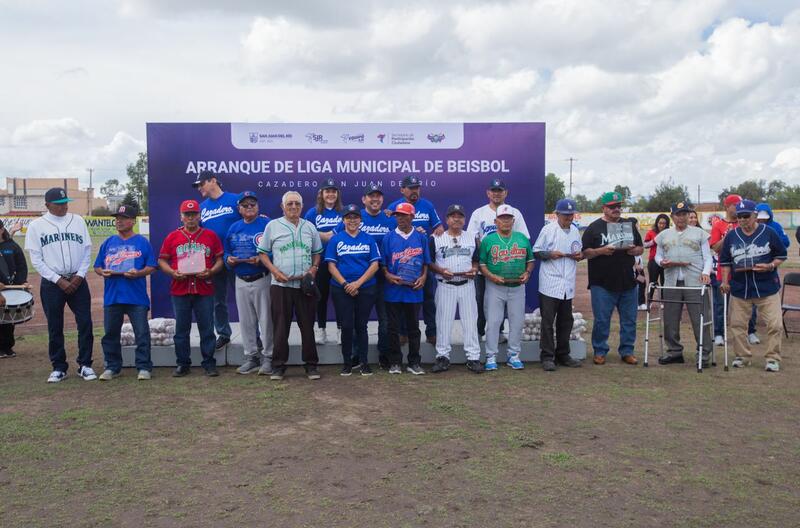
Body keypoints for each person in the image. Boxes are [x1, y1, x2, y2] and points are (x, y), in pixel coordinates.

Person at [24, 187, 96, 383]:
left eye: (65, 203)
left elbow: (87, 251)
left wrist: (80, 276)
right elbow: (37, 260)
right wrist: (59, 280)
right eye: (59, 204)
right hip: (52, 283)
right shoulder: (36, 226)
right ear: (47, 205)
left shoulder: (78, 221)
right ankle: (58, 367)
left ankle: (85, 364)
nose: (64, 206)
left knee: (85, 323)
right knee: (55, 326)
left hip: (78, 280)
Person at [258, 191, 323, 381]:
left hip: (304, 284)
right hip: (280, 284)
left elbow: (317, 252)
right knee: (280, 327)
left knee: (307, 326)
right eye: (289, 204)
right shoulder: (273, 226)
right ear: (282, 207)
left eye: (297, 204)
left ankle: (311, 365)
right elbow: (262, 253)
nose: (293, 207)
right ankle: (278, 366)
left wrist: (314, 268)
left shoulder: (309, 227)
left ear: (302, 206)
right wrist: (274, 271)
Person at [158, 199, 224, 377]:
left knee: (207, 328)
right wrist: (172, 272)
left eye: (194, 214)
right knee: (181, 329)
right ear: (181, 217)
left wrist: (211, 271)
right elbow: (161, 260)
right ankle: (183, 363)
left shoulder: (210, 235)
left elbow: (220, 259)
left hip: (204, 288)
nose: (191, 217)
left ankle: (209, 363)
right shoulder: (172, 237)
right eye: (187, 214)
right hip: (180, 288)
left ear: (199, 215)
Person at [330, 184, 393, 369]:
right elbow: (330, 238)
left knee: (384, 319)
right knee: (354, 321)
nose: (375, 199)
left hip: (382, 275)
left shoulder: (389, 218)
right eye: (370, 196)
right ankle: (355, 357)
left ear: (382, 199)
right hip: (354, 280)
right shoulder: (354, 217)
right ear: (363, 199)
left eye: (378, 196)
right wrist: (309, 230)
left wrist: (421, 230)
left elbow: (403, 233)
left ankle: (384, 355)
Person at [719, 199, 787, 372]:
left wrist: (771, 265)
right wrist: (725, 282)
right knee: (737, 325)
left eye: (746, 216)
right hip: (740, 288)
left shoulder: (769, 232)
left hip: (767, 287)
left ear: (755, 215)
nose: (742, 220)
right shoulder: (732, 236)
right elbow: (725, 262)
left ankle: (772, 358)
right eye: (739, 217)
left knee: (775, 324)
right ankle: (742, 356)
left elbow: (781, 255)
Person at [94, 204, 157, 380]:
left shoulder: (142, 242)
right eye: (117, 218)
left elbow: (152, 266)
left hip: (136, 296)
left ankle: (144, 367)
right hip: (113, 295)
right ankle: (112, 367)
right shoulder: (108, 242)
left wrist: (139, 273)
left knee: (142, 333)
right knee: (110, 334)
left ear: (133, 221)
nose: (119, 221)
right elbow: (98, 266)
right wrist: (102, 272)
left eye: (123, 218)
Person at [581, 191, 644, 365]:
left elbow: (640, 248)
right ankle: (600, 351)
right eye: (612, 207)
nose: (616, 209)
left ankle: (627, 351)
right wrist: (601, 251)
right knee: (602, 319)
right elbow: (584, 253)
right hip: (602, 282)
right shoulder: (594, 228)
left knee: (629, 319)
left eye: (618, 206)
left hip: (628, 281)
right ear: (604, 208)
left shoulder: (629, 225)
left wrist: (634, 251)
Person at [467, 178, 529, 343]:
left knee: (503, 303)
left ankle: (499, 333)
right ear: (488, 193)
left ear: (505, 193)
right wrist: (486, 254)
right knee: (480, 302)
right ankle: (479, 333)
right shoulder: (479, 213)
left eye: (499, 190)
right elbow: (471, 238)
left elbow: (524, 238)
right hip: (484, 267)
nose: (496, 193)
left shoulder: (514, 213)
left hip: (506, 265)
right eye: (493, 191)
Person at [654, 202, 713, 366]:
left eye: (684, 214)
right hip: (672, 281)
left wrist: (706, 273)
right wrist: (661, 262)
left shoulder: (699, 233)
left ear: (689, 215)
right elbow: (657, 256)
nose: (681, 217)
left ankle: (704, 353)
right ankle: (674, 351)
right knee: (670, 318)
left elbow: (708, 257)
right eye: (678, 214)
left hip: (694, 281)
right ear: (672, 216)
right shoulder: (664, 235)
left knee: (700, 318)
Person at [325, 204, 381, 376]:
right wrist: (345, 285)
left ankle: (364, 362)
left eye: (355, 217)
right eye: (348, 217)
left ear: (360, 219)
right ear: (343, 220)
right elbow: (331, 266)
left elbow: (375, 265)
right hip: (341, 289)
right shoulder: (336, 239)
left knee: (361, 326)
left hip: (365, 288)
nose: (352, 220)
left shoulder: (368, 238)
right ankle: (347, 362)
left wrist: (357, 284)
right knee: (347, 326)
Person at [387, 175, 443, 345]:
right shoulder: (393, 207)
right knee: (404, 300)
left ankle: (431, 331)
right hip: (402, 261)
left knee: (428, 299)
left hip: (423, 260)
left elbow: (439, 228)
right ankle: (403, 332)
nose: (414, 191)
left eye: (417, 187)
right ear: (402, 190)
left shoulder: (427, 205)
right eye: (411, 188)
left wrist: (426, 236)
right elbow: (391, 231)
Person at [479, 204, 535, 371]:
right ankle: (491, 356)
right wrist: (491, 276)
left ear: (513, 220)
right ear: (496, 221)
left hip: (517, 286)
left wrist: (528, 273)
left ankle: (513, 355)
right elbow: (482, 264)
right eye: (502, 218)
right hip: (495, 286)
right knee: (494, 322)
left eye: (508, 218)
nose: (505, 221)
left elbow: (530, 260)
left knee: (517, 322)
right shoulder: (488, 240)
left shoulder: (522, 238)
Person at [429, 204, 483, 374]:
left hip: (467, 285)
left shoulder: (472, 237)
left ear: (464, 220)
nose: (457, 219)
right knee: (443, 322)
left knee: (470, 322)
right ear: (447, 219)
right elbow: (429, 262)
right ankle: (442, 357)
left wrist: (474, 269)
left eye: (460, 216)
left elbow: (476, 259)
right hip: (445, 285)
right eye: (453, 216)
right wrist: (440, 270)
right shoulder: (436, 238)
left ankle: (473, 358)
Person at [224, 191, 274, 376]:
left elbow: (275, 250)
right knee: (246, 322)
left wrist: (263, 259)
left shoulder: (267, 224)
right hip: (241, 279)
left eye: (252, 204)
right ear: (239, 208)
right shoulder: (234, 227)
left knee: (266, 320)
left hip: (262, 277)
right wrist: (228, 259)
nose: (249, 207)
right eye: (245, 205)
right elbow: (226, 251)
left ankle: (268, 357)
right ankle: (251, 357)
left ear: (258, 206)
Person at [532, 198, 583, 371]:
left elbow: (579, 251)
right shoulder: (548, 229)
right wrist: (550, 254)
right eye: (565, 214)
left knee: (566, 321)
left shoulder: (575, 231)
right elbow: (536, 251)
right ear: (557, 214)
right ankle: (547, 356)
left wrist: (578, 255)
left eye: (571, 214)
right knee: (547, 322)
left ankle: (563, 354)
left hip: (567, 282)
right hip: (550, 282)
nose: (568, 217)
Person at [193, 170, 242, 350]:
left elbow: (249, 218)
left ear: (213, 181)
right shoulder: (202, 207)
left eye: (201, 184)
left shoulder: (235, 200)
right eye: (197, 185)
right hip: (215, 260)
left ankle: (255, 335)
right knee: (217, 300)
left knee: (246, 299)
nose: (199, 188)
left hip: (237, 258)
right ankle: (223, 333)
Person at [382, 202, 431, 375]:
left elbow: (426, 262)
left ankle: (414, 362)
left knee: (413, 328)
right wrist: (387, 275)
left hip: (413, 290)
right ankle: (395, 362)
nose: (400, 218)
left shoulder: (420, 237)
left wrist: (424, 277)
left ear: (412, 217)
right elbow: (383, 264)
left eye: (404, 215)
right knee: (393, 328)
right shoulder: (388, 237)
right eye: (398, 215)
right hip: (393, 289)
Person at [709, 195, 758, 346]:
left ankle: (750, 331)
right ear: (727, 206)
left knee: (750, 303)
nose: (739, 207)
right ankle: (719, 334)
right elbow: (715, 247)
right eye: (736, 204)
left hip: (744, 270)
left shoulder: (744, 222)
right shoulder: (718, 225)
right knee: (720, 304)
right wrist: (728, 237)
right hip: (723, 271)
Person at [305, 178, 343, 345]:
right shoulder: (312, 213)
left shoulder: (344, 212)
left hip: (340, 262)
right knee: (320, 297)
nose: (330, 194)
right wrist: (323, 235)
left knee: (340, 297)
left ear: (337, 194)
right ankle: (321, 330)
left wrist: (319, 233)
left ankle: (341, 330)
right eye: (327, 191)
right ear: (321, 193)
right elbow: (306, 232)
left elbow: (347, 232)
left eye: (333, 191)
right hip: (320, 262)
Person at [0, 219, 29, 358]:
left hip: (11, 288)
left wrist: (21, 282)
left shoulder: (12, 246)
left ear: (1, 230)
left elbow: (22, 266)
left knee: (8, 320)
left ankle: (8, 346)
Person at [644, 214, 670, 306]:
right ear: (657, 223)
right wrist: (654, 241)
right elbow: (645, 245)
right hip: (653, 261)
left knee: (664, 281)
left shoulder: (669, 233)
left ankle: (663, 301)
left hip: (665, 261)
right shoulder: (651, 232)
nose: (661, 225)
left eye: (664, 223)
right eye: (660, 223)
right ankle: (649, 301)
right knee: (653, 281)